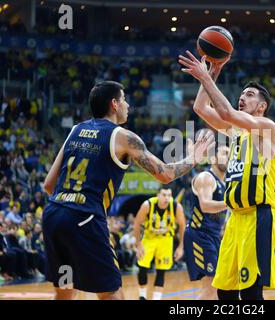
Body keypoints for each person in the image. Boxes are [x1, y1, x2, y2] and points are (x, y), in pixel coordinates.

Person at [42, 81, 213, 300]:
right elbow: (166, 174)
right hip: (84, 217)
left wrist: (68, 205)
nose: (128, 105)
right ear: (114, 104)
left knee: (65, 290)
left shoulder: (75, 130)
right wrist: (194, 158)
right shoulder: (123, 137)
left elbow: (49, 184)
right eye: (124, 100)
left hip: (54, 215)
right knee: (112, 293)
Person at [179, 51, 275, 300]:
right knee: (225, 292)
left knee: (251, 293)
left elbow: (226, 113)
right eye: (241, 94)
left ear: (262, 106)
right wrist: (213, 73)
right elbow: (200, 107)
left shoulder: (267, 128)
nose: (241, 97)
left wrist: (206, 77)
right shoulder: (237, 132)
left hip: (258, 216)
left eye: (249, 95)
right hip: (235, 219)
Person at [183, 144, 230, 300]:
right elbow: (206, 205)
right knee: (211, 286)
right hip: (200, 235)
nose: (229, 157)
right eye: (225, 153)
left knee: (217, 287)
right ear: (213, 158)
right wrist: (232, 203)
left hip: (214, 237)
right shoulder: (206, 178)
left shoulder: (226, 184)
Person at [133, 187, 186, 300]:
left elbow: (182, 226)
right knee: (142, 267)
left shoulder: (176, 207)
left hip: (166, 239)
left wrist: (181, 247)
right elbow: (137, 224)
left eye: (169, 195)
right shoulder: (147, 205)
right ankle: (142, 295)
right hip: (149, 238)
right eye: (164, 195)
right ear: (157, 195)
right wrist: (138, 245)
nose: (167, 198)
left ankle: (156, 298)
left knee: (161, 271)